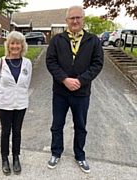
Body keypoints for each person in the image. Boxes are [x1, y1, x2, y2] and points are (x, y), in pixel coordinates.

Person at [46, 5, 104, 173]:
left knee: (80, 126)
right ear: (66, 21)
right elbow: (51, 62)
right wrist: (64, 79)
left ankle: (80, 155)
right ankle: (56, 153)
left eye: (78, 17)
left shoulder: (93, 40)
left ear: (83, 19)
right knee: (57, 125)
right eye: (72, 18)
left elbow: (97, 64)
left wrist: (79, 80)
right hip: (60, 92)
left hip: (81, 92)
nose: (75, 21)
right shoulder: (57, 40)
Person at [0, 31, 32, 176]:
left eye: (18, 43)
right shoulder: (0, 62)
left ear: (22, 46)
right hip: (4, 104)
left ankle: (15, 157)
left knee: (17, 132)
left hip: (21, 104)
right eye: (12, 43)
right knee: (5, 131)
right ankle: (4, 158)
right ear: (8, 45)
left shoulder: (27, 63)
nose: (15, 46)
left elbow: (26, 84)